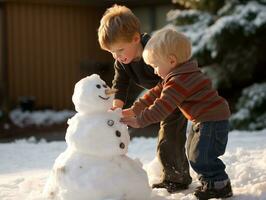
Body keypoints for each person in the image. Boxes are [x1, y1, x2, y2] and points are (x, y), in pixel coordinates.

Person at [120, 28, 233, 200]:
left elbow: (162, 106)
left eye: (156, 66)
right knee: (194, 153)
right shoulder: (176, 76)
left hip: (212, 120)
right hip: (204, 120)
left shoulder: (180, 80)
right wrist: (134, 109)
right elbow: (154, 94)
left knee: (201, 156)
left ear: (171, 60)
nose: (155, 71)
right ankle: (211, 182)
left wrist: (139, 121)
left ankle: (219, 184)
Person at [98, 5, 192, 193]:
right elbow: (120, 83)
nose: (117, 56)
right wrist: (117, 106)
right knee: (169, 134)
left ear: (135, 39)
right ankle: (177, 174)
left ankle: (177, 178)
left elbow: (168, 82)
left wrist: (141, 109)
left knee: (169, 135)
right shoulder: (122, 62)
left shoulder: (155, 51)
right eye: (112, 53)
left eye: (120, 50)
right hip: (162, 96)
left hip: (177, 94)